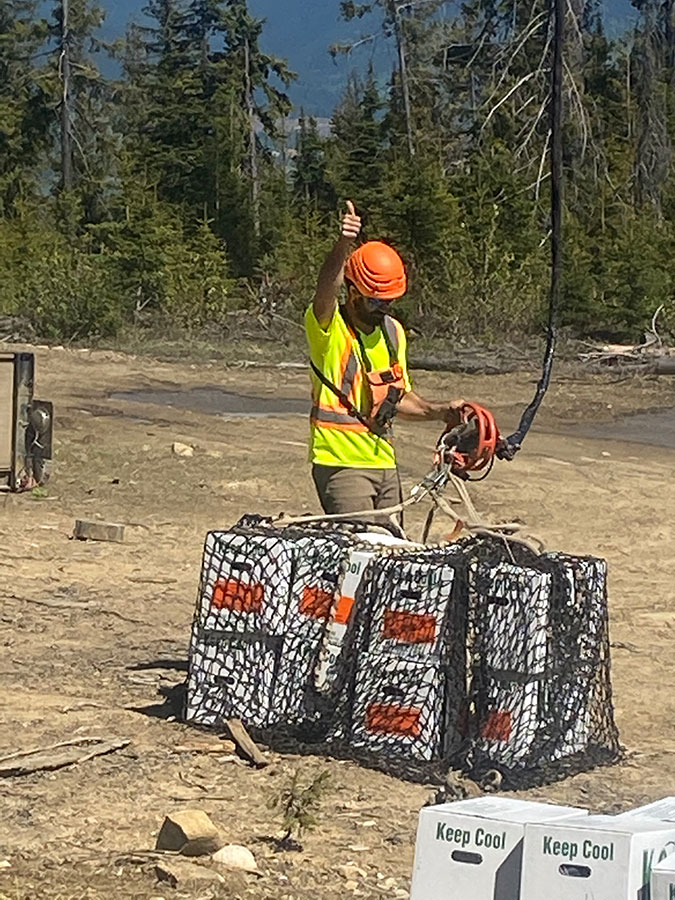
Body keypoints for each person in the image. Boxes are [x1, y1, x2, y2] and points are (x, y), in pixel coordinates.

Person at [305, 200, 466, 516]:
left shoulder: (393, 332)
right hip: (340, 465)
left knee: (393, 553)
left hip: (385, 462)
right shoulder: (329, 328)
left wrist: (439, 411)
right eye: (377, 301)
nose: (385, 308)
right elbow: (325, 291)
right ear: (353, 293)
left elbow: (397, 398)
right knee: (362, 550)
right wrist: (344, 244)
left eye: (389, 301)